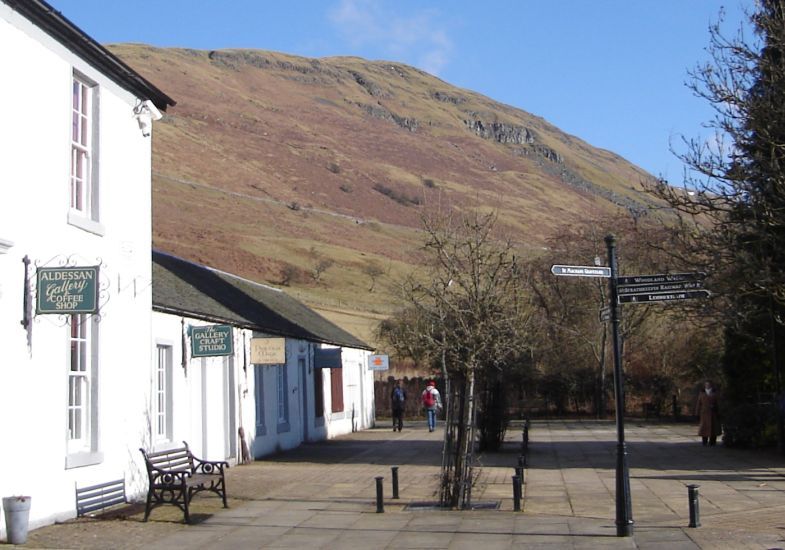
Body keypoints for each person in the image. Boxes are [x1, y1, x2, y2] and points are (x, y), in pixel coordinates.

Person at [695, 381, 721, 446]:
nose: (707, 386)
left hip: (713, 413)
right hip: (704, 413)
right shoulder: (702, 393)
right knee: (704, 428)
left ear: (711, 385)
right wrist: (697, 413)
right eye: (706, 384)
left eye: (709, 384)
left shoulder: (715, 393)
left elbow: (719, 403)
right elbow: (698, 403)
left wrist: (718, 410)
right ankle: (704, 441)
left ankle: (712, 441)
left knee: (714, 428)